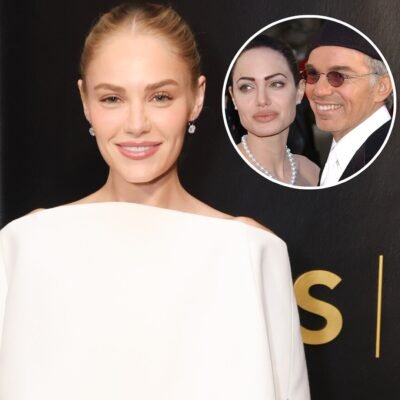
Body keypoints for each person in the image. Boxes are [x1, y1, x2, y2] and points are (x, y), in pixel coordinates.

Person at [0, 3, 310, 399]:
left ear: (197, 98)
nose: (136, 125)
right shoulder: (29, 245)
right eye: (112, 99)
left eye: (160, 96)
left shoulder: (248, 252)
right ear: (85, 102)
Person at [304, 20, 393, 186]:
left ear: (381, 87)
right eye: (312, 74)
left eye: (339, 76)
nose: (319, 91)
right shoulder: (343, 150)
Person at [228, 35, 320, 187]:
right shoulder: (221, 176)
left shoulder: (312, 173)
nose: (262, 100)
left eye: (276, 84)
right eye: (247, 87)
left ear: (299, 91)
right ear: (233, 98)